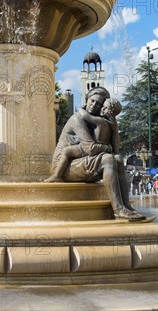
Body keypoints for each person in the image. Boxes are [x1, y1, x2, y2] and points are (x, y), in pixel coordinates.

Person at [48, 87, 144, 221]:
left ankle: (126, 206)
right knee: (108, 160)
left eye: (99, 103)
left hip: (79, 159)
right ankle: (118, 209)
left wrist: (114, 128)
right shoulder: (78, 119)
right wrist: (108, 148)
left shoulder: (100, 120)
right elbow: (91, 149)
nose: (94, 105)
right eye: (92, 101)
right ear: (87, 99)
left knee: (118, 159)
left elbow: (116, 150)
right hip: (65, 166)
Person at [47, 97, 121, 183]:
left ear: (112, 113)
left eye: (104, 107)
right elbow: (116, 151)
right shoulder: (111, 124)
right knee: (118, 159)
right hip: (93, 149)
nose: (102, 108)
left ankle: (57, 175)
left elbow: (86, 116)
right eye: (92, 101)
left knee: (66, 151)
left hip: (92, 148)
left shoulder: (99, 121)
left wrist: (81, 109)